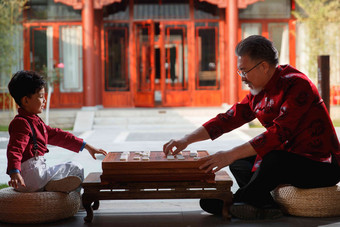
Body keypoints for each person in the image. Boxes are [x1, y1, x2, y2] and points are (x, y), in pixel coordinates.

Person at [163, 35, 340, 220]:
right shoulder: (259, 92)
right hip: (289, 157)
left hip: (323, 165)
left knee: (272, 160)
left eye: (244, 71)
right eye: (240, 72)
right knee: (240, 163)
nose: (243, 78)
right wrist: (185, 140)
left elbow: (278, 134)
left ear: (263, 67)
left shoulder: (297, 85)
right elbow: (227, 119)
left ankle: (236, 202)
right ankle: (264, 205)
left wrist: (229, 153)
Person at [7, 70, 107, 193]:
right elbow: (14, 150)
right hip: (32, 177)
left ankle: (50, 185)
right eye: (41, 96)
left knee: (62, 172)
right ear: (26, 101)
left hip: (28, 178)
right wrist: (14, 172)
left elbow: (60, 136)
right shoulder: (22, 123)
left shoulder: (33, 121)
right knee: (76, 168)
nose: (44, 101)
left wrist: (86, 146)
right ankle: (77, 202)